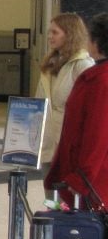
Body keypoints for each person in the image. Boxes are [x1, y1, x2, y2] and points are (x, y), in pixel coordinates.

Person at [45, 12, 108, 205]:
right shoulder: (92, 75)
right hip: (62, 151)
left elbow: (97, 133)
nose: (50, 36)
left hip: (92, 180)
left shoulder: (97, 80)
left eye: (55, 32)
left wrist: (82, 178)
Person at [35, 13, 93, 161]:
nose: (49, 36)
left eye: (55, 32)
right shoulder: (50, 64)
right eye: (49, 32)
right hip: (47, 141)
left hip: (69, 142)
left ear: (70, 35)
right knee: (49, 183)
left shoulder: (82, 65)